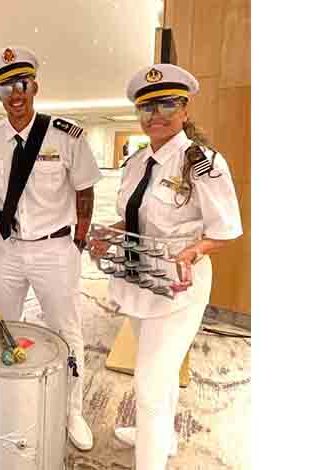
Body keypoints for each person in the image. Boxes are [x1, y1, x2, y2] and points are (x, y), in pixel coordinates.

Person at [89, 63, 243, 470]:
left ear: (185, 109)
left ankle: (151, 456)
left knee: (150, 386)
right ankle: (163, 437)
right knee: (162, 370)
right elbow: (137, 218)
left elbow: (227, 230)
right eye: (147, 107)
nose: (156, 115)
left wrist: (194, 251)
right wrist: (110, 232)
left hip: (178, 288)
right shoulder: (137, 161)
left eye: (167, 104)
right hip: (141, 280)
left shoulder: (202, 163)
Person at [0, 46, 101, 451]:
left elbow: (85, 192)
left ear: (35, 87)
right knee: (3, 324)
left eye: (22, 84)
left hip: (54, 248)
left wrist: (78, 241)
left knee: (66, 329)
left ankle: (72, 409)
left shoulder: (66, 136)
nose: (16, 94)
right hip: (3, 248)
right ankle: (9, 397)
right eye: (6, 87)